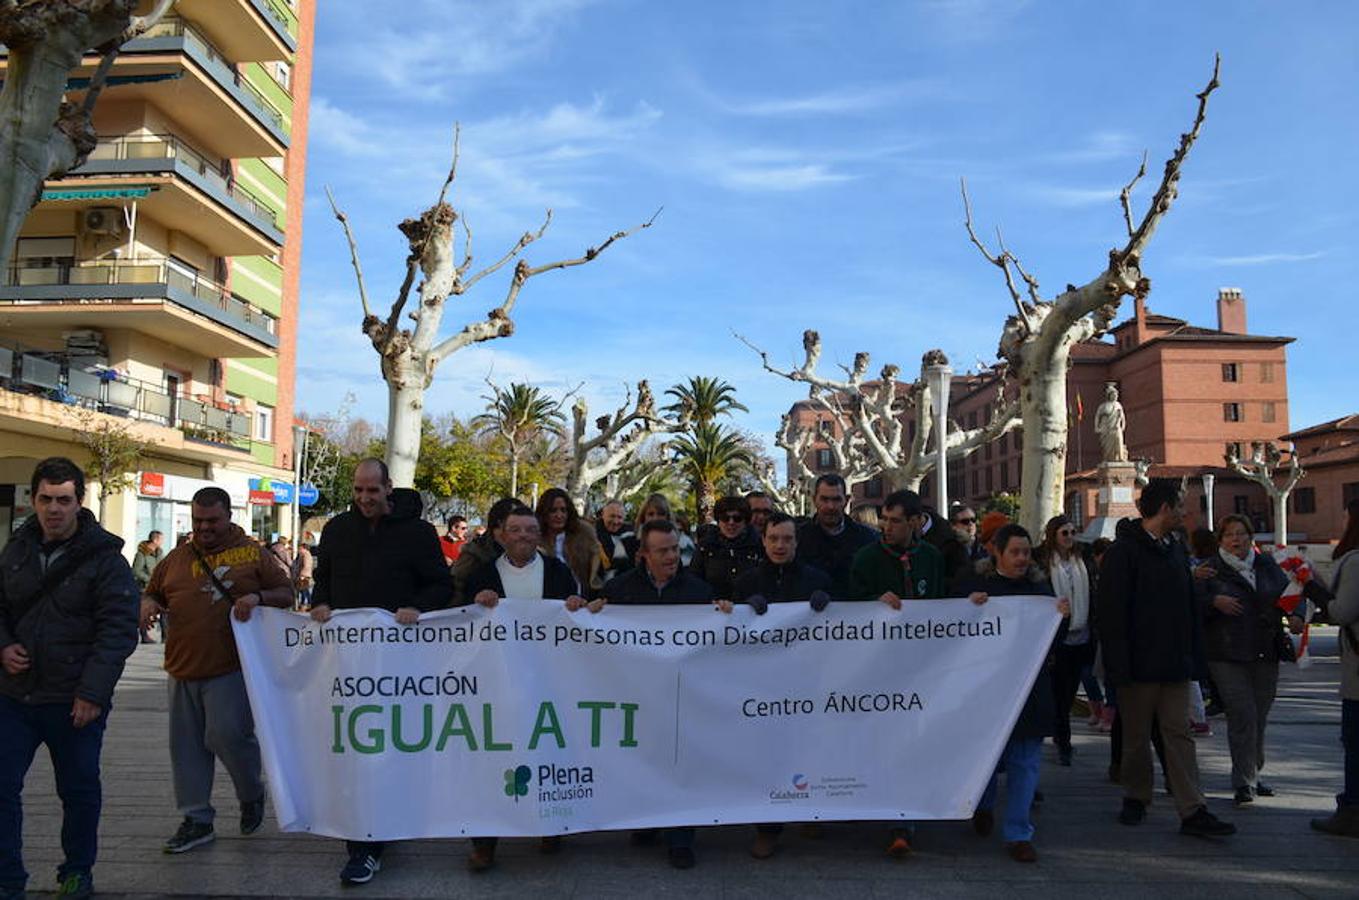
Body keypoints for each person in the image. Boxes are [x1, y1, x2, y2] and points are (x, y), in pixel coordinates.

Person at [0, 457, 139, 900]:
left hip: (74, 700)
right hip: (15, 696)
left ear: (80, 502)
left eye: (63, 500)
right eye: (46, 499)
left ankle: (77, 871)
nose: (53, 509)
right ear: (34, 499)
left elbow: (117, 632)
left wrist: (92, 693)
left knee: (78, 791)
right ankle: (8, 878)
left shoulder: (106, 560)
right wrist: (3, 646)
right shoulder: (16, 549)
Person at [310, 458, 451, 885]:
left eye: (372, 490)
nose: (364, 498)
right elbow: (323, 579)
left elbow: (441, 585)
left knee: (392, 746)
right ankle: (363, 845)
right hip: (348, 662)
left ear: (389, 488)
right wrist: (320, 603)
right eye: (358, 490)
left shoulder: (418, 533)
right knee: (358, 747)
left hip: (401, 662)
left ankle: (385, 823)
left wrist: (416, 608)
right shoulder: (337, 530)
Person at [140, 486, 294, 857]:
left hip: (231, 666)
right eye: (198, 521)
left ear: (229, 517)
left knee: (228, 736)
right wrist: (147, 604)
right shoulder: (176, 558)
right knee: (186, 748)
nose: (204, 528)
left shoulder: (253, 554)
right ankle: (196, 819)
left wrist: (258, 597)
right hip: (181, 666)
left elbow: (286, 593)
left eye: (212, 521)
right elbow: (153, 592)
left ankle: (251, 792)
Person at [461, 505, 599, 871]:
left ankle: (550, 825)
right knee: (494, 758)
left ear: (539, 535)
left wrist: (576, 605)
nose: (523, 535)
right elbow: (461, 621)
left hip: (548, 681)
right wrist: (476, 604)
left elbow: (575, 615)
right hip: (497, 681)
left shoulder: (558, 572)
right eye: (515, 529)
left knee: (547, 751)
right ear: (500, 535)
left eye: (530, 530)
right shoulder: (482, 576)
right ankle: (485, 842)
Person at [1096, 479, 1235, 837]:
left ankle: (1193, 809)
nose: (1184, 513)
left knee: (1180, 734)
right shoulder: (1123, 553)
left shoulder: (1175, 548)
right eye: (1180, 506)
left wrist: (1194, 657)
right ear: (1163, 508)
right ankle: (1136, 797)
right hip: (1137, 665)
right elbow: (1111, 613)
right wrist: (1118, 666)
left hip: (1175, 663)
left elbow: (1187, 605)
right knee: (1136, 738)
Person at [602, 520, 718, 868]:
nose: (671, 557)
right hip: (636, 694)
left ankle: (680, 838)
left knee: (679, 763)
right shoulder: (619, 590)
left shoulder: (699, 591)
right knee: (643, 759)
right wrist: (587, 610)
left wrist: (726, 612)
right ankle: (647, 822)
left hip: (683, 694)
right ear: (644, 554)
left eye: (675, 549)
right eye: (663, 551)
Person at [961, 523, 1070, 863]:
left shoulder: (1040, 590)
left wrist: (1061, 617)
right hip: (986, 689)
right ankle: (983, 804)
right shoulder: (976, 585)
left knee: (1025, 762)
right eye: (1015, 552)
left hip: (1028, 689)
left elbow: (1054, 639)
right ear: (998, 552)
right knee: (987, 758)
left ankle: (1019, 833)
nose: (1022, 558)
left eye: (1026, 552)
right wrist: (969, 607)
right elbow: (956, 633)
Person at [846, 488, 944, 859]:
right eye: (884, 520)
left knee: (911, 743)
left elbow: (943, 605)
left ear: (916, 522)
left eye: (896, 521)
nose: (887, 527)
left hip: (920, 668)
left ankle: (903, 822)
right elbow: (846, 604)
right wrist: (872, 602)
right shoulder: (866, 557)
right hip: (876, 669)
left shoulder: (932, 558)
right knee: (881, 741)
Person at [731, 512, 831, 859]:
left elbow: (846, 626)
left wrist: (829, 605)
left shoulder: (817, 579)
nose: (780, 545)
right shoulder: (747, 582)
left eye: (787, 539)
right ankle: (767, 828)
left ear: (796, 543)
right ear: (763, 541)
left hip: (807, 683)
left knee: (808, 749)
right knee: (767, 755)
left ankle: (811, 812)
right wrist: (743, 610)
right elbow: (728, 627)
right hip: (763, 686)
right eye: (773, 538)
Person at [1197, 514, 1299, 806]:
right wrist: (1213, 602)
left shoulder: (1266, 565)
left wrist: (1297, 615)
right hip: (1226, 653)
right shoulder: (1209, 570)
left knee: (1259, 715)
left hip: (1265, 651)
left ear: (1251, 537)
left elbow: (1291, 593)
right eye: (1229, 534)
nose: (1236, 539)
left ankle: (1253, 771)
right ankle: (1244, 782)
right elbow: (1191, 603)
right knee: (1242, 714)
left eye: (1241, 533)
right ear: (1220, 540)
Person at [1312, 499, 1359, 837]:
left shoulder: (1355, 561)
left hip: (1358, 672)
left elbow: (1342, 612)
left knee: (1354, 741)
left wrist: (1313, 590)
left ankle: (1352, 809)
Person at [1038, 515, 1096, 766]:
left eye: (1073, 532)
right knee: (1057, 693)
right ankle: (1063, 740)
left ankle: (1062, 736)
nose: (1070, 537)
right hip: (1056, 637)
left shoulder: (1083, 560)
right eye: (1065, 533)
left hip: (1081, 634)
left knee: (1069, 691)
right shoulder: (1042, 564)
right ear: (1054, 535)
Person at [796, 474, 876, 598]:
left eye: (836, 500)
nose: (830, 506)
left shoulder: (867, 538)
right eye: (824, 499)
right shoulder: (798, 538)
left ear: (847, 500)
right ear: (814, 500)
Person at [690, 495, 764, 599]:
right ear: (718, 520)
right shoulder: (705, 547)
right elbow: (694, 580)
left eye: (737, 519)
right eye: (725, 518)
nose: (731, 523)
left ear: (745, 521)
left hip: (751, 606)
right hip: (714, 605)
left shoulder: (760, 546)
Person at [451, 497, 518, 606]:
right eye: (513, 527)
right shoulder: (474, 554)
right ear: (496, 526)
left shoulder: (533, 555)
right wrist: (474, 600)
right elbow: (455, 588)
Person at [537, 488, 602, 598]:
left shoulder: (584, 533)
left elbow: (596, 566)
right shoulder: (534, 536)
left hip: (581, 597)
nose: (559, 515)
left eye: (563, 510)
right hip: (546, 598)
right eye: (553, 511)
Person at [132, 530, 165, 643]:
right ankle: (144, 635)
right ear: (155, 540)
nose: (162, 541)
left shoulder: (159, 553)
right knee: (145, 611)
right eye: (161, 539)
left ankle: (166, 635)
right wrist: (149, 579)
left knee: (163, 610)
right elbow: (136, 571)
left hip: (158, 586)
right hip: (144, 587)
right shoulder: (142, 554)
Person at [595, 499, 638, 584]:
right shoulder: (593, 535)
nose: (615, 521)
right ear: (603, 515)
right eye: (612, 516)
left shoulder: (631, 534)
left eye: (619, 517)